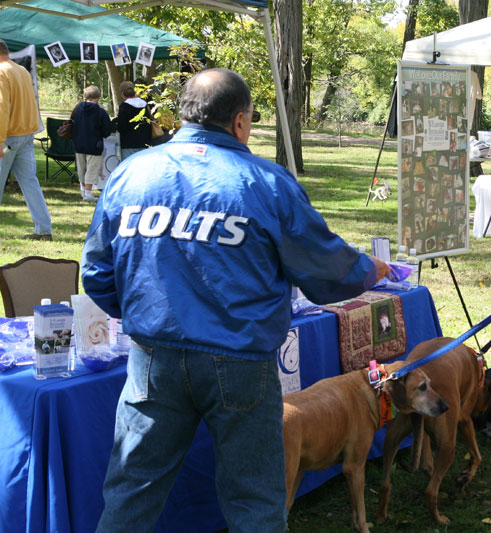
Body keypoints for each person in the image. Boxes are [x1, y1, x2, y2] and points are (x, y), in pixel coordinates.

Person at [82, 68, 390, 532]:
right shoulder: (265, 182)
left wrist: (148, 315)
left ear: (185, 114)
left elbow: (97, 273)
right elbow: (325, 271)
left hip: (154, 358)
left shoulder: (131, 173)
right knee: (254, 500)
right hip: (239, 362)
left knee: (132, 490)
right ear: (241, 122)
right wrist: (372, 269)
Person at [0, 38, 53, 240]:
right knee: (30, 183)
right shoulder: (22, 70)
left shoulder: (1, 72)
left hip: (8, 139)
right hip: (26, 136)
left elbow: (1, 108)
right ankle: (44, 230)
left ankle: (43, 229)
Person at [72, 85, 112, 202]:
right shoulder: (101, 112)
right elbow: (106, 132)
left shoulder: (78, 109)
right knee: (91, 169)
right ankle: (88, 193)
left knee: (81, 168)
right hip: (94, 144)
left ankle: (83, 191)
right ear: (98, 97)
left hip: (78, 143)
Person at [113, 80, 151, 160]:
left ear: (122, 94)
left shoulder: (124, 106)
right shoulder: (144, 104)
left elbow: (122, 127)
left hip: (129, 143)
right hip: (144, 142)